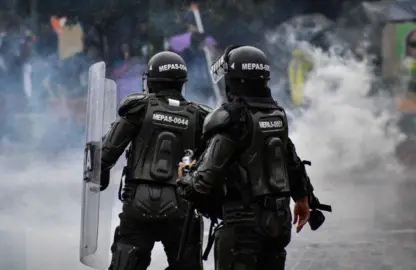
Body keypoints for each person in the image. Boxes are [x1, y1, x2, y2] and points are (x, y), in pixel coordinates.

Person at [177, 45, 316, 269]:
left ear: (233, 81)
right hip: (278, 223)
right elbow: (292, 163)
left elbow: (201, 184)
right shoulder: (277, 115)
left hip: (243, 227)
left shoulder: (232, 119)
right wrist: (302, 199)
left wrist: (185, 175)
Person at [99, 51, 212, 270]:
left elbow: (106, 153)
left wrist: (100, 179)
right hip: (182, 210)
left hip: (137, 207)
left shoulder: (138, 109)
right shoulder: (200, 117)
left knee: (126, 264)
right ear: (181, 83)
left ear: (150, 81)